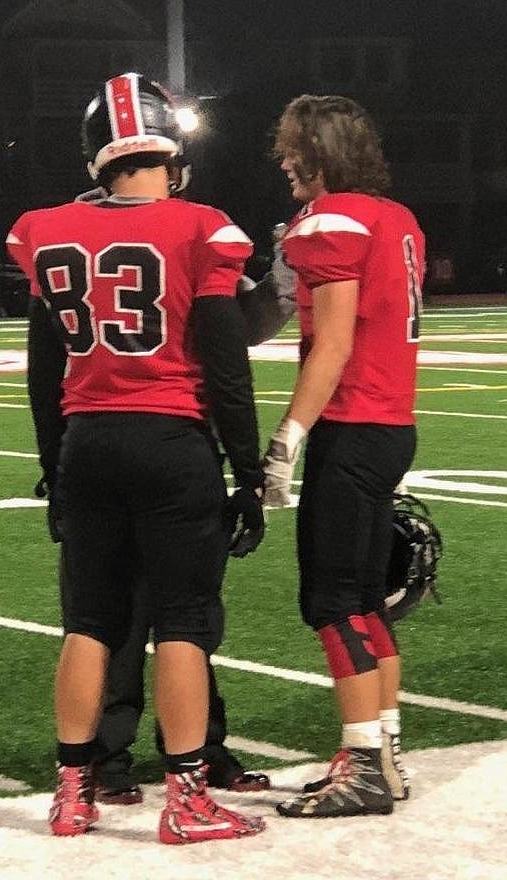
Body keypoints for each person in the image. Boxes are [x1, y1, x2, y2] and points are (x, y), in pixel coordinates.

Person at [8, 72, 266, 844]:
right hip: (170, 441)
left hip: (87, 443)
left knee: (89, 620)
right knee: (182, 623)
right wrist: (248, 473)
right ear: (170, 147)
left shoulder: (44, 230)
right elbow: (226, 365)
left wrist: (55, 467)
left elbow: (40, 370)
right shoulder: (202, 228)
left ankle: (72, 794)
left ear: (96, 153)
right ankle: (186, 800)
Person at [262, 94, 424, 818]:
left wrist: (287, 437)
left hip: (352, 422)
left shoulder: (331, 221)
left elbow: (332, 344)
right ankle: (383, 752)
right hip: (392, 423)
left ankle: (363, 766)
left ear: (321, 150)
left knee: (332, 600)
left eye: (295, 146)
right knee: (364, 599)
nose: (284, 159)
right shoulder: (396, 218)